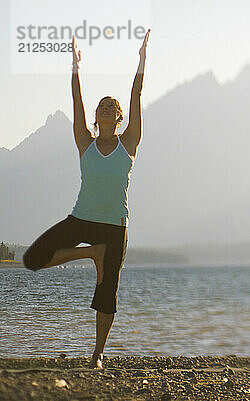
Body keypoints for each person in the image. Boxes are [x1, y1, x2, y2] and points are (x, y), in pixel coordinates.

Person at [22, 30, 150, 369]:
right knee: (33, 258)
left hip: (114, 227)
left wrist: (141, 61)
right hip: (82, 218)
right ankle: (91, 253)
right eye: (102, 105)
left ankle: (97, 355)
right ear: (96, 117)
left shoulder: (130, 143)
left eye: (113, 106)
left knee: (107, 293)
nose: (107, 106)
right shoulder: (85, 141)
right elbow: (76, 98)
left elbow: (136, 94)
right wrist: (75, 66)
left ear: (119, 118)